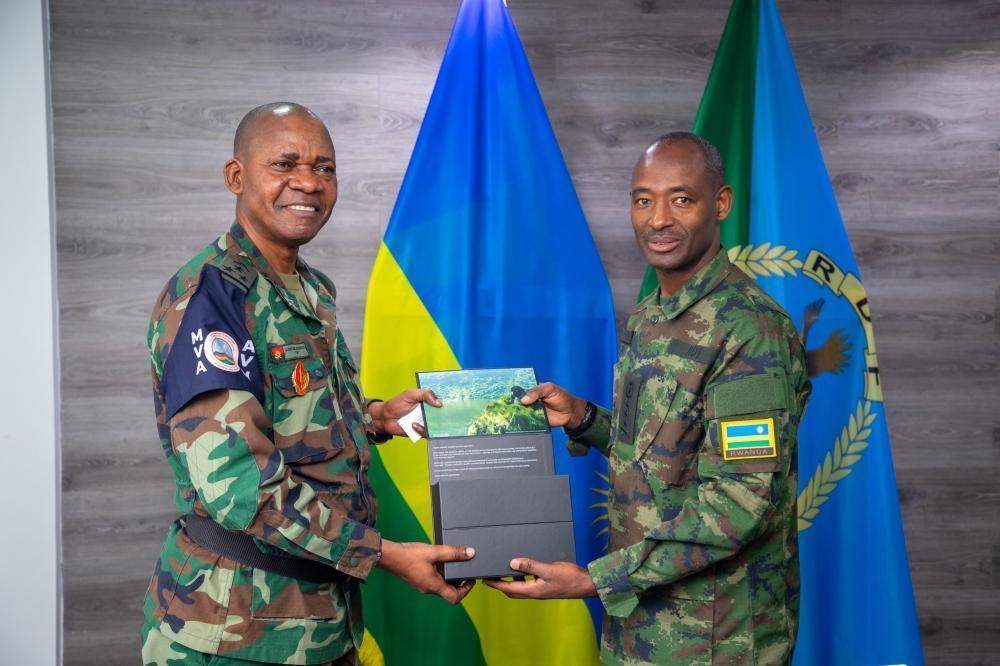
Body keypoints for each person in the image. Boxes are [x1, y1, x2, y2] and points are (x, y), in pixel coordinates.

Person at [141, 102, 474, 666]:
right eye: (285, 164)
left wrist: (375, 417)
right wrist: (384, 554)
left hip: (318, 617)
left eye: (325, 168)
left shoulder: (309, 287)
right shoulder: (213, 300)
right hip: (235, 628)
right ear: (236, 177)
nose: (309, 182)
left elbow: (293, 406)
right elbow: (237, 484)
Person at [486, 133, 811, 665]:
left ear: (721, 204)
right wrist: (584, 418)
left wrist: (595, 579)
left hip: (716, 640)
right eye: (643, 199)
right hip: (638, 629)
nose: (658, 218)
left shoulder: (750, 331)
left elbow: (741, 502)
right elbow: (659, 452)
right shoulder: (649, 317)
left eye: (681, 198)